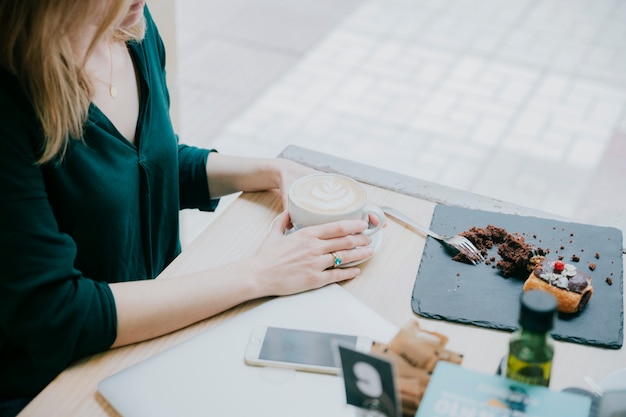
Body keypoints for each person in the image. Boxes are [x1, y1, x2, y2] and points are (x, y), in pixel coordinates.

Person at [0, 1, 375, 415]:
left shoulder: (131, 29)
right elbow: (60, 315)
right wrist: (260, 273)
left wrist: (272, 172)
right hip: (56, 385)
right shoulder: (12, 101)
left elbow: (146, 166)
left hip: (158, 338)